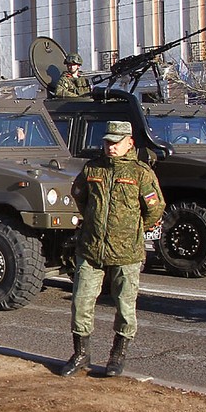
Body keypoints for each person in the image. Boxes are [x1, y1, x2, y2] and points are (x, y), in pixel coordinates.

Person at [57, 119, 164, 379]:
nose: (110, 147)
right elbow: (80, 196)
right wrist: (94, 224)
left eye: (116, 143)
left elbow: (154, 209)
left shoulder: (140, 173)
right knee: (81, 302)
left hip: (126, 252)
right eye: (107, 142)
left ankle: (117, 355)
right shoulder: (93, 168)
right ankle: (81, 354)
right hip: (91, 249)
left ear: (129, 143)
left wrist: (132, 230)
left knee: (125, 307)